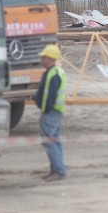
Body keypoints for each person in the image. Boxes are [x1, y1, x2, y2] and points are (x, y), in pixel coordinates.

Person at [34, 44, 67, 181]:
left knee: (50, 142)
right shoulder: (56, 72)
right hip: (56, 111)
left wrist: (44, 109)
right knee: (55, 141)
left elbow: (49, 95)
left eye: (44, 57)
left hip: (51, 112)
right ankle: (58, 169)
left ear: (49, 58)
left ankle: (57, 171)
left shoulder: (52, 74)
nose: (42, 59)